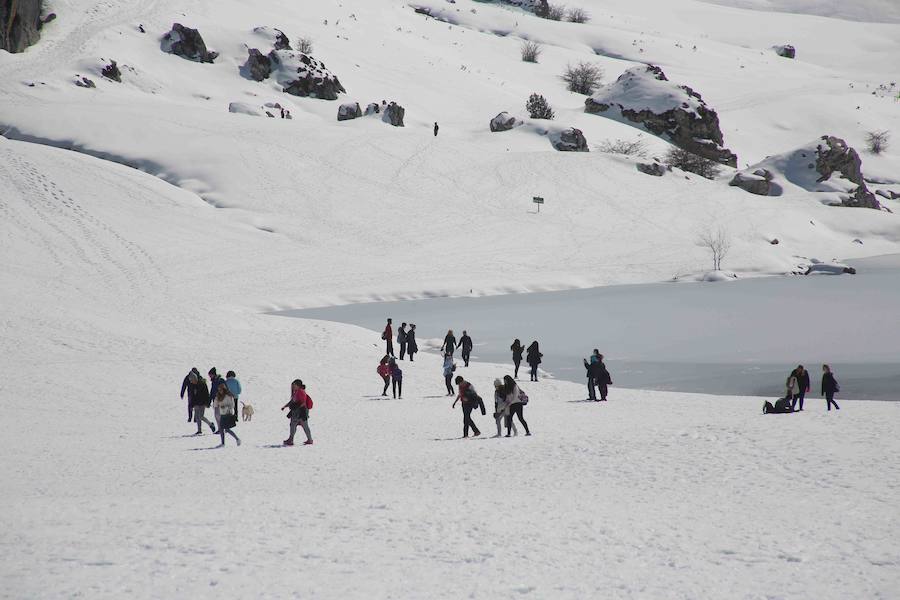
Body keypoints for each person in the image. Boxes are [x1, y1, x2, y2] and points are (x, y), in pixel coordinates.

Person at [281, 379, 313, 446]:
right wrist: (285, 406)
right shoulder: (296, 392)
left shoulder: (300, 392)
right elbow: (292, 401)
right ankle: (308, 440)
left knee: (298, 425)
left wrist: (295, 407)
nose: (293, 386)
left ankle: (291, 440)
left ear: (298, 385)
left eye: (294, 385)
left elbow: (303, 402)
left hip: (300, 412)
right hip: (297, 412)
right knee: (297, 425)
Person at [214, 382, 240, 447]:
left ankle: (237, 439)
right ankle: (223, 443)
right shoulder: (218, 396)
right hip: (222, 413)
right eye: (219, 390)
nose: (220, 391)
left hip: (228, 413)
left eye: (221, 390)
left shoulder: (228, 396)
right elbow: (216, 404)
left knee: (227, 429)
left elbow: (232, 405)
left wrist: (225, 407)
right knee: (221, 428)